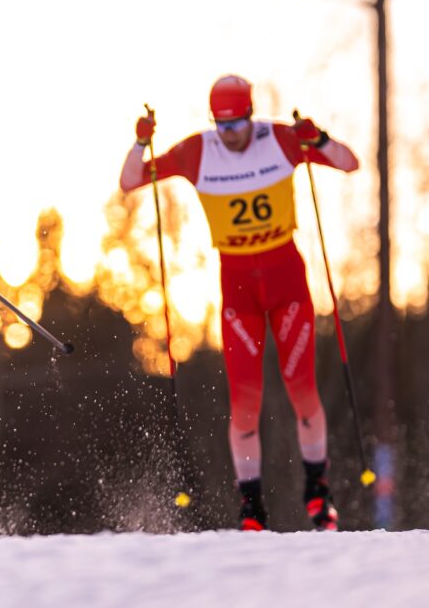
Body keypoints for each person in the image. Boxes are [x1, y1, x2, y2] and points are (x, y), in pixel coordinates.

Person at [119, 75, 359, 531]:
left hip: (287, 283)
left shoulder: (282, 140)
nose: (230, 135)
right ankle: (251, 508)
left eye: (237, 125)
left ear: (251, 116)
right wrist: (139, 143)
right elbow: (131, 181)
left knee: (302, 390)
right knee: (244, 403)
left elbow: (349, 164)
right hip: (239, 290)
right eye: (222, 126)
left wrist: (320, 139)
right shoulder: (197, 152)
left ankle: (317, 493)